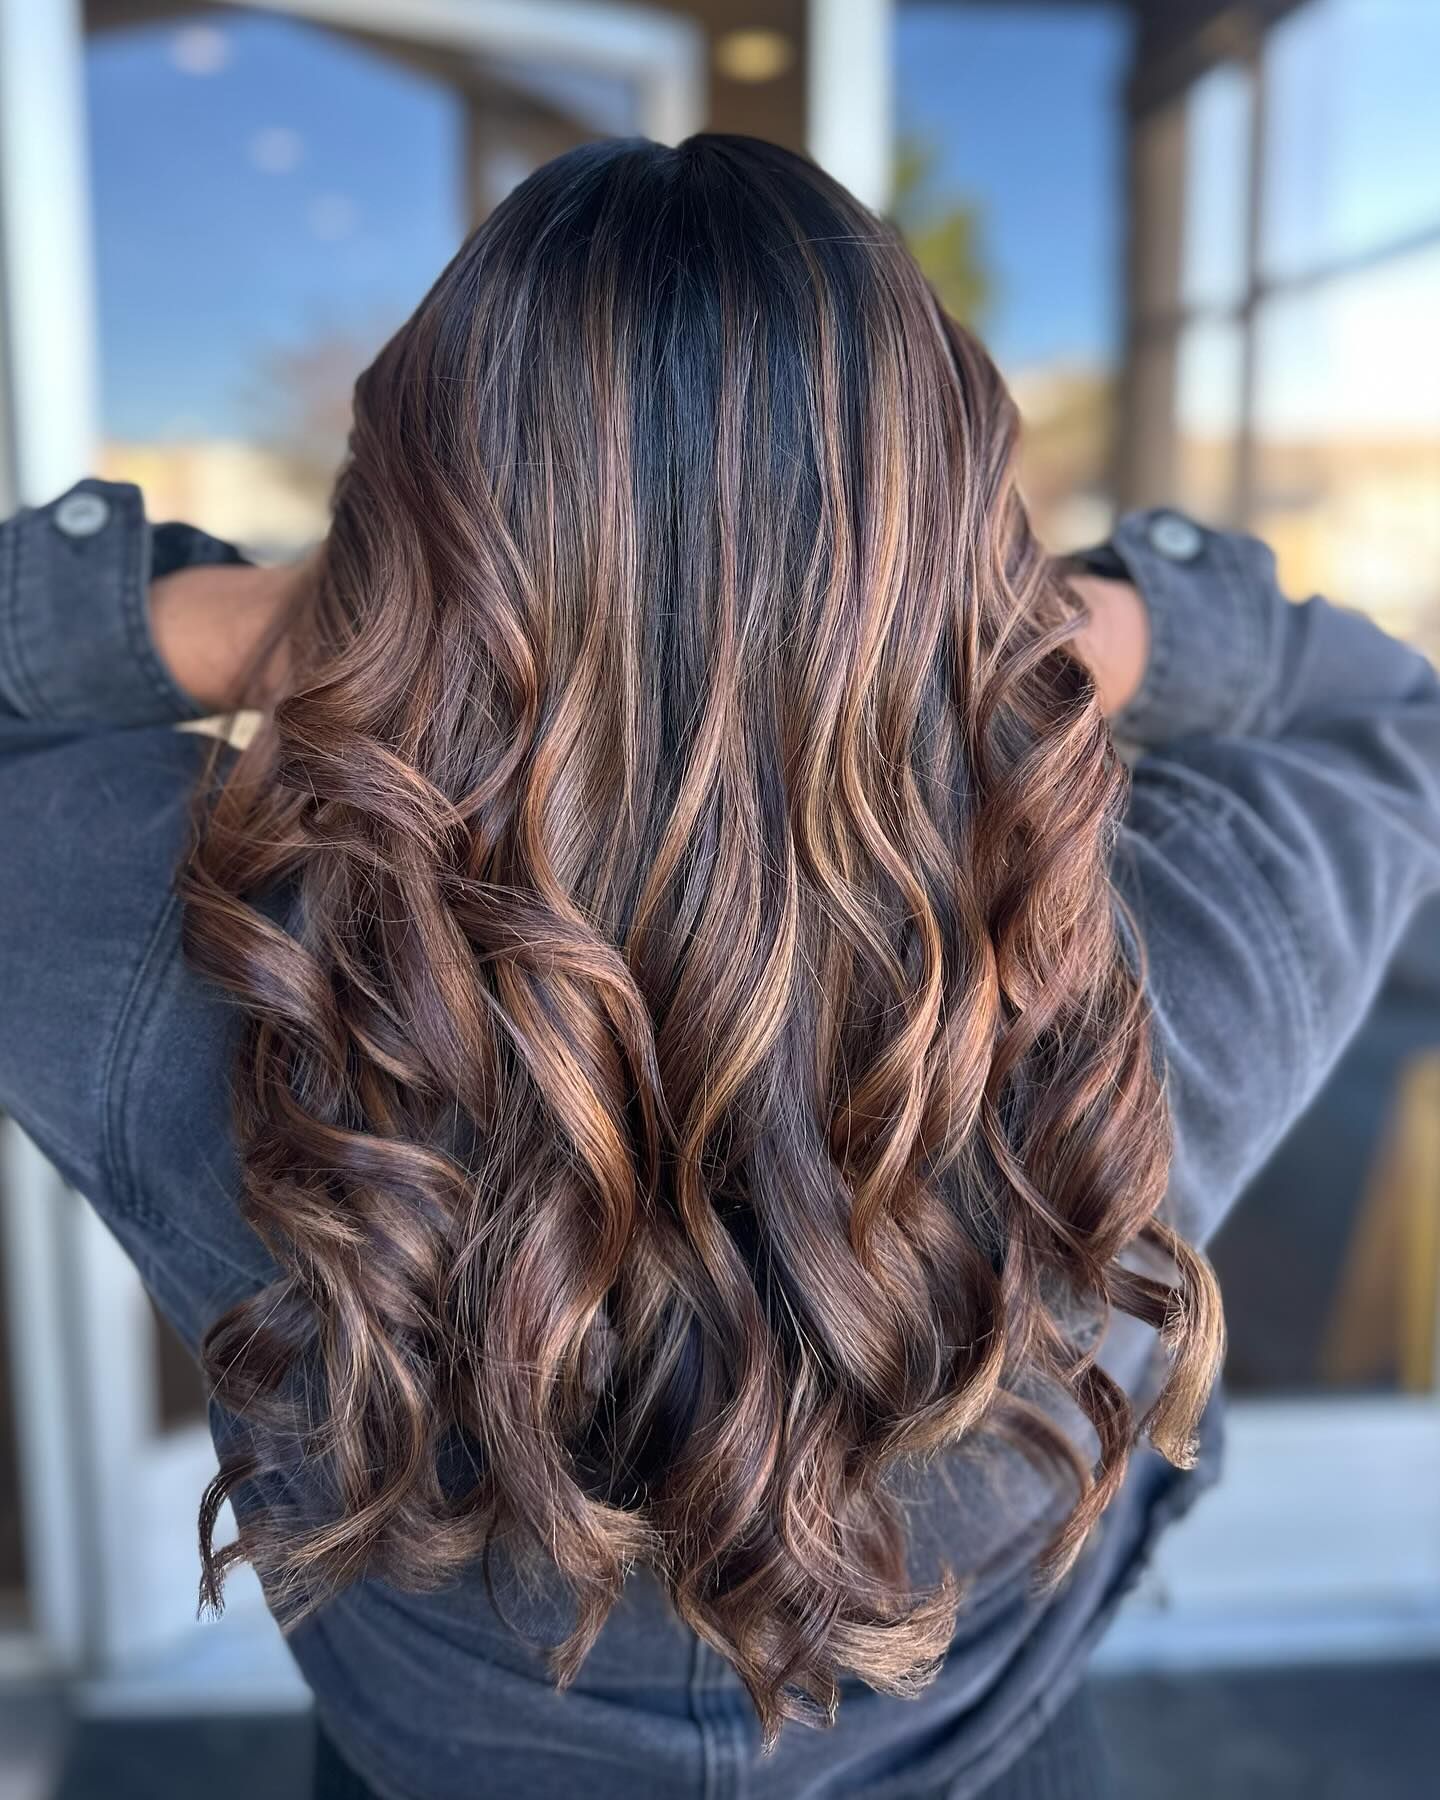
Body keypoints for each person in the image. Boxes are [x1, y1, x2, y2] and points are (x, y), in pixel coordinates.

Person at [1, 134, 1437, 1800]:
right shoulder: (1161, 960)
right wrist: (1066, 627)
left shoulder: (188, 960)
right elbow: (1386, 709)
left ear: (394, 541)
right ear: (962, 544)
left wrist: (284, 622)